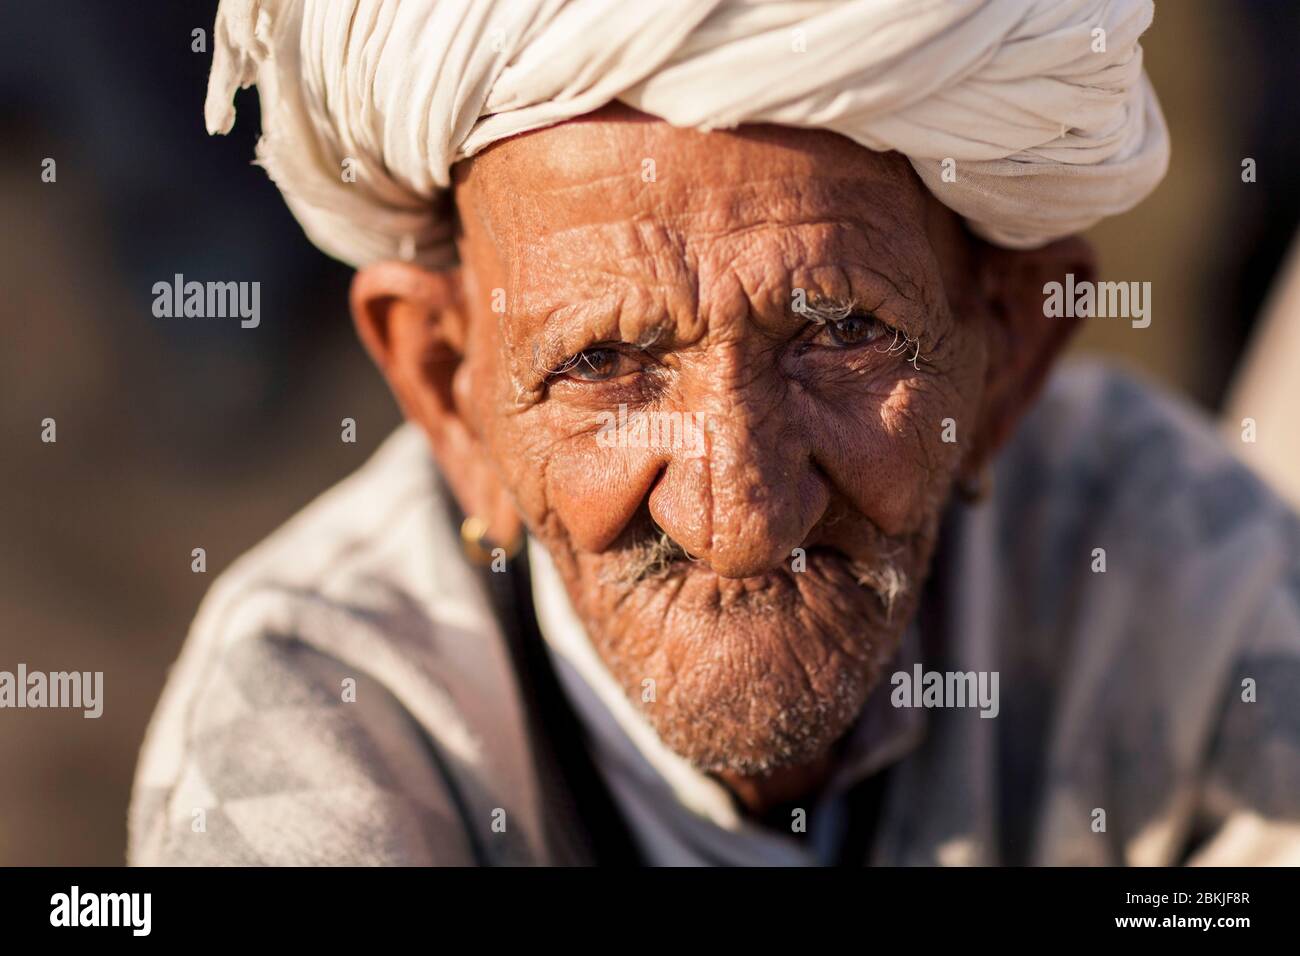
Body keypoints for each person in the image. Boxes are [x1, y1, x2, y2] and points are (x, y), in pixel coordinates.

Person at [129, 0, 1300, 866]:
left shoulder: (1180, 571)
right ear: (449, 386)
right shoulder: (314, 724)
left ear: (1004, 354)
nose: (739, 514)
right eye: (600, 361)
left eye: (841, 334)